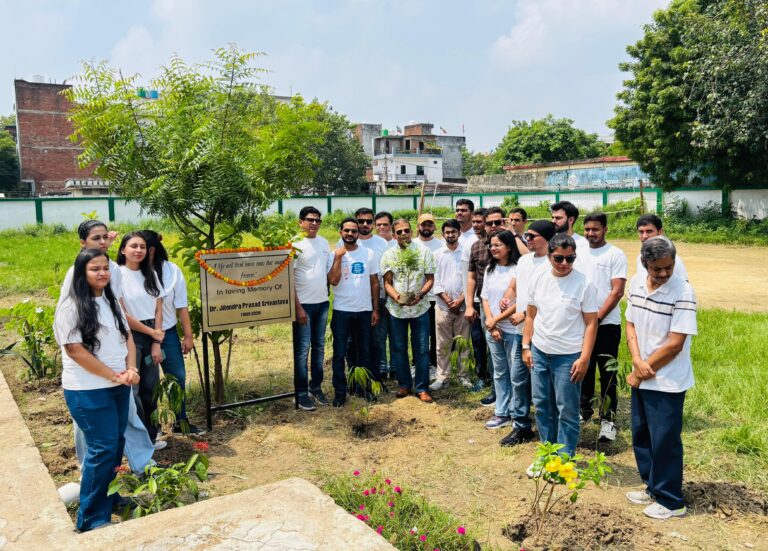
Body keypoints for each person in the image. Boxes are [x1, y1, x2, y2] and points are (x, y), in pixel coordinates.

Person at [58, 220, 157, 467]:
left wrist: (128, 363)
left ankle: (141, 461)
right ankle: (88, 468)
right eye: (95, 239)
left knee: (128, 416)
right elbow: (73, 335)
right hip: (90, 367)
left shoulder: (111, 269)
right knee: (90, 430)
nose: (102, 242)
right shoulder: (77, 275)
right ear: (83, 244)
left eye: (105, 238)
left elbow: (118, 310)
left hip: (117, 358)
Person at [54, 248, 139, 532]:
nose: (102, 273)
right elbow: (76, 351)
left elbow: (126, 337)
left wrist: (131, 369)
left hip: (118, 386)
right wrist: (114, 375)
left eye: (105, 268)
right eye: (95, 269)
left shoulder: (111, 300)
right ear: (82, 273)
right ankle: (90, 518)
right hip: (89, 390)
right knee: (102, 449)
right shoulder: (71, 307)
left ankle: (111, 498)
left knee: (115, 445)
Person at [625, 237, 697, 520]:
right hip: (641, 374)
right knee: (642, 434)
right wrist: (635, 361)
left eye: (669, 267)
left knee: (665, 439)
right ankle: (652, 486)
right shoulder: (636, 283)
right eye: (658, 269)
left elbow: (675, 343)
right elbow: (630, 322)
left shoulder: (683, 292)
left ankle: (671, 500)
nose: (664, 274)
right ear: (645, 264)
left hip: (667, 379)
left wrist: (644, 367)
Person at [522, 233, 599, 462]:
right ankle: (548, 454)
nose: (565, 263)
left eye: (570, 258)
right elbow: (531, 315)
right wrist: (526, 346)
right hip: (540, 352)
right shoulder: (538, 277)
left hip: (569, 356)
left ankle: (564, 459)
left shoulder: (584, 283)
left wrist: (584, 358)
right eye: (559, 258)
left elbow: (591, 323)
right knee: (543, 405)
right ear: (549, 256)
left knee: (566, 409)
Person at [498, 220, 557, 447]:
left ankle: (550, 430)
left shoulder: (553, 263)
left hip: (542, 335)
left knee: (543, 386)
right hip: (521, 334)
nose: (528, 240)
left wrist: (523, 314)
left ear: (548, 239)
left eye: (532, 236)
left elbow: (549, 300)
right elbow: (514, 287)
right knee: (518, 379)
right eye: (527, 236)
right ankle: (521, 425)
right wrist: (507, 297)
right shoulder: (523, 261)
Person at [141, 230, 204, 433]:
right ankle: (151, 427)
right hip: (141, 334)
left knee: (177, 377)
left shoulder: (172, 271)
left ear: (152, 249)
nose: (138, 251)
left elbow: (182, 306)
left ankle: (180, 421)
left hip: (166, 333)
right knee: (147, 384)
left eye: (142, 247)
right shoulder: (132, 272)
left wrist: (188, 336)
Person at [580, 213, 627, 442]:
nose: (590, 233)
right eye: (587, 229)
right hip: (581, 325)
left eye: (595, 229)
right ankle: (585, 411)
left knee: (607, 374)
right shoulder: (578, 251)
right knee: (584, 370)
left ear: (605, 229)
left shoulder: (615, 254)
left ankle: (608, 419)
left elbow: (617, 291)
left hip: (606, 324)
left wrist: (596, 319)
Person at [380, 218, 436, 403]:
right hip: (397, 310)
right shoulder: (389, 255)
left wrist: (419, 294)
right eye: (399, 232)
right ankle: (404, 384)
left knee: (422, 349)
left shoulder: (424, 252)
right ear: (394, 235)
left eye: (406, 230)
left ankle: (422, 387)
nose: (403, 234)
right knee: (398, 348)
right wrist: (396, 297)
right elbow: (387, 282)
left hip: (420, 308)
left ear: (411, 231)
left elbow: (429, 279)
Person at [116, 232, 165, 443]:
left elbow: (159, 309)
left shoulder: (151, 274)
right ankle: (137, 442)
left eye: (142, 247)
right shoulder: (117, 274)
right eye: (133, 246)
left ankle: (152, 438)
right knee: (133, 390)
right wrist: (151, 333)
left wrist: (156, 341)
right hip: (131, 335)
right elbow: (122, 313)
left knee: (151, 387)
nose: (138, 250)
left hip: (152, 333)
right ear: (122, 250)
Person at [328, 218, 380, 408]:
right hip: (342, 311)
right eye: (346, 230)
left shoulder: (368, 253)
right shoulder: (333, 255)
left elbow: (375, 282)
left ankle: (364, 388)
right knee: (339, 353)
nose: (350, 234)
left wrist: (375, 309)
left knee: (365, 352)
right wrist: (339, 258)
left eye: (354, 231)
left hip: (364, 311)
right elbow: (333, 281)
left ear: (359, 233)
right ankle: (340, 392)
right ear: (340, 231)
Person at [291, 207, 333, 410]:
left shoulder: (324, 243)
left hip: (322, 303)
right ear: (301, 222)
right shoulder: (295, 244)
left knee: (319, 348)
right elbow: (288, 280)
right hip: (303, 306)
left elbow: (326, 273)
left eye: (317, 220)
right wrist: (298, 308)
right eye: (310, 220)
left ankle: (315, 387)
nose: (314, 223)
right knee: (302, 350)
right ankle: (300, 393)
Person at [340, 208, 390, 380]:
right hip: (351, 302)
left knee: (376, 340)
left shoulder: (381, 243)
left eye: (369, 221)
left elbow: (382, 275)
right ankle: (355, 376)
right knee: (352, 342)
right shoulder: (344, 243)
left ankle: (376, 376)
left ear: (373, 224)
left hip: (377, 299)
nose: (365, 225)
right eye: (361, 221)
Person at [480, 230, 522, 430]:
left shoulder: (518, 269)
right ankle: (501, 411)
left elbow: (521, 301)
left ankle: (516, 412)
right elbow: (485, 297)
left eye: (498, 245)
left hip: (513, 330)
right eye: (492, 245)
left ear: (509, 247)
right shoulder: (490, 269)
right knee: (499, 372)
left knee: (515, 373)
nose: (494, 248)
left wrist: (496, 319)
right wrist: (491, 322)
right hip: (493, 329)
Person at [465, 206, 507, 405]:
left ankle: (517, 392)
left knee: (513, 350)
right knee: (491, 347)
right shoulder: (478, 246)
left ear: (504, 222)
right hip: (486, 305)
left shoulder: (516, 245)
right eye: (489, 223)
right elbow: (472, 277)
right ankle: (496, 390)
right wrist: (469, 304)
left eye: (497, 222)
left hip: (513, 308)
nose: (493, 226)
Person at [429, 219, 471, 391]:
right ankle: (442, 376)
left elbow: (470, 278)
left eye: (453, 232)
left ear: (459, 233)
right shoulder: (437, 254)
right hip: (442, 305)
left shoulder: (466, 253)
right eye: (447, 232)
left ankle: (464, 376)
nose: (450, 235)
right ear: (443, 234)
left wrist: (461, 299)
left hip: (463, 306)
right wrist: (447, 299)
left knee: (463, 343)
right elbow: (434, 279)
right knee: (442, 344)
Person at [415, 212, 443, 370]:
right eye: (423, 224)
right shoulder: (412, 244)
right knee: (418, 334)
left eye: (430, 224)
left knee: (434, 333)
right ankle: (417, 363)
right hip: (417, 298)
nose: (426, 227)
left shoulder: (441, 245)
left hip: (435, 297)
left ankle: (433, 364)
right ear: (418, 226)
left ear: (434, 227)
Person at [635, 214, 689, 281]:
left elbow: (684, 285)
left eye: (649, 231)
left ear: (660, 232)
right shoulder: (640, 257)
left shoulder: (669, 258)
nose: (645, 236)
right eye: (641, 232)